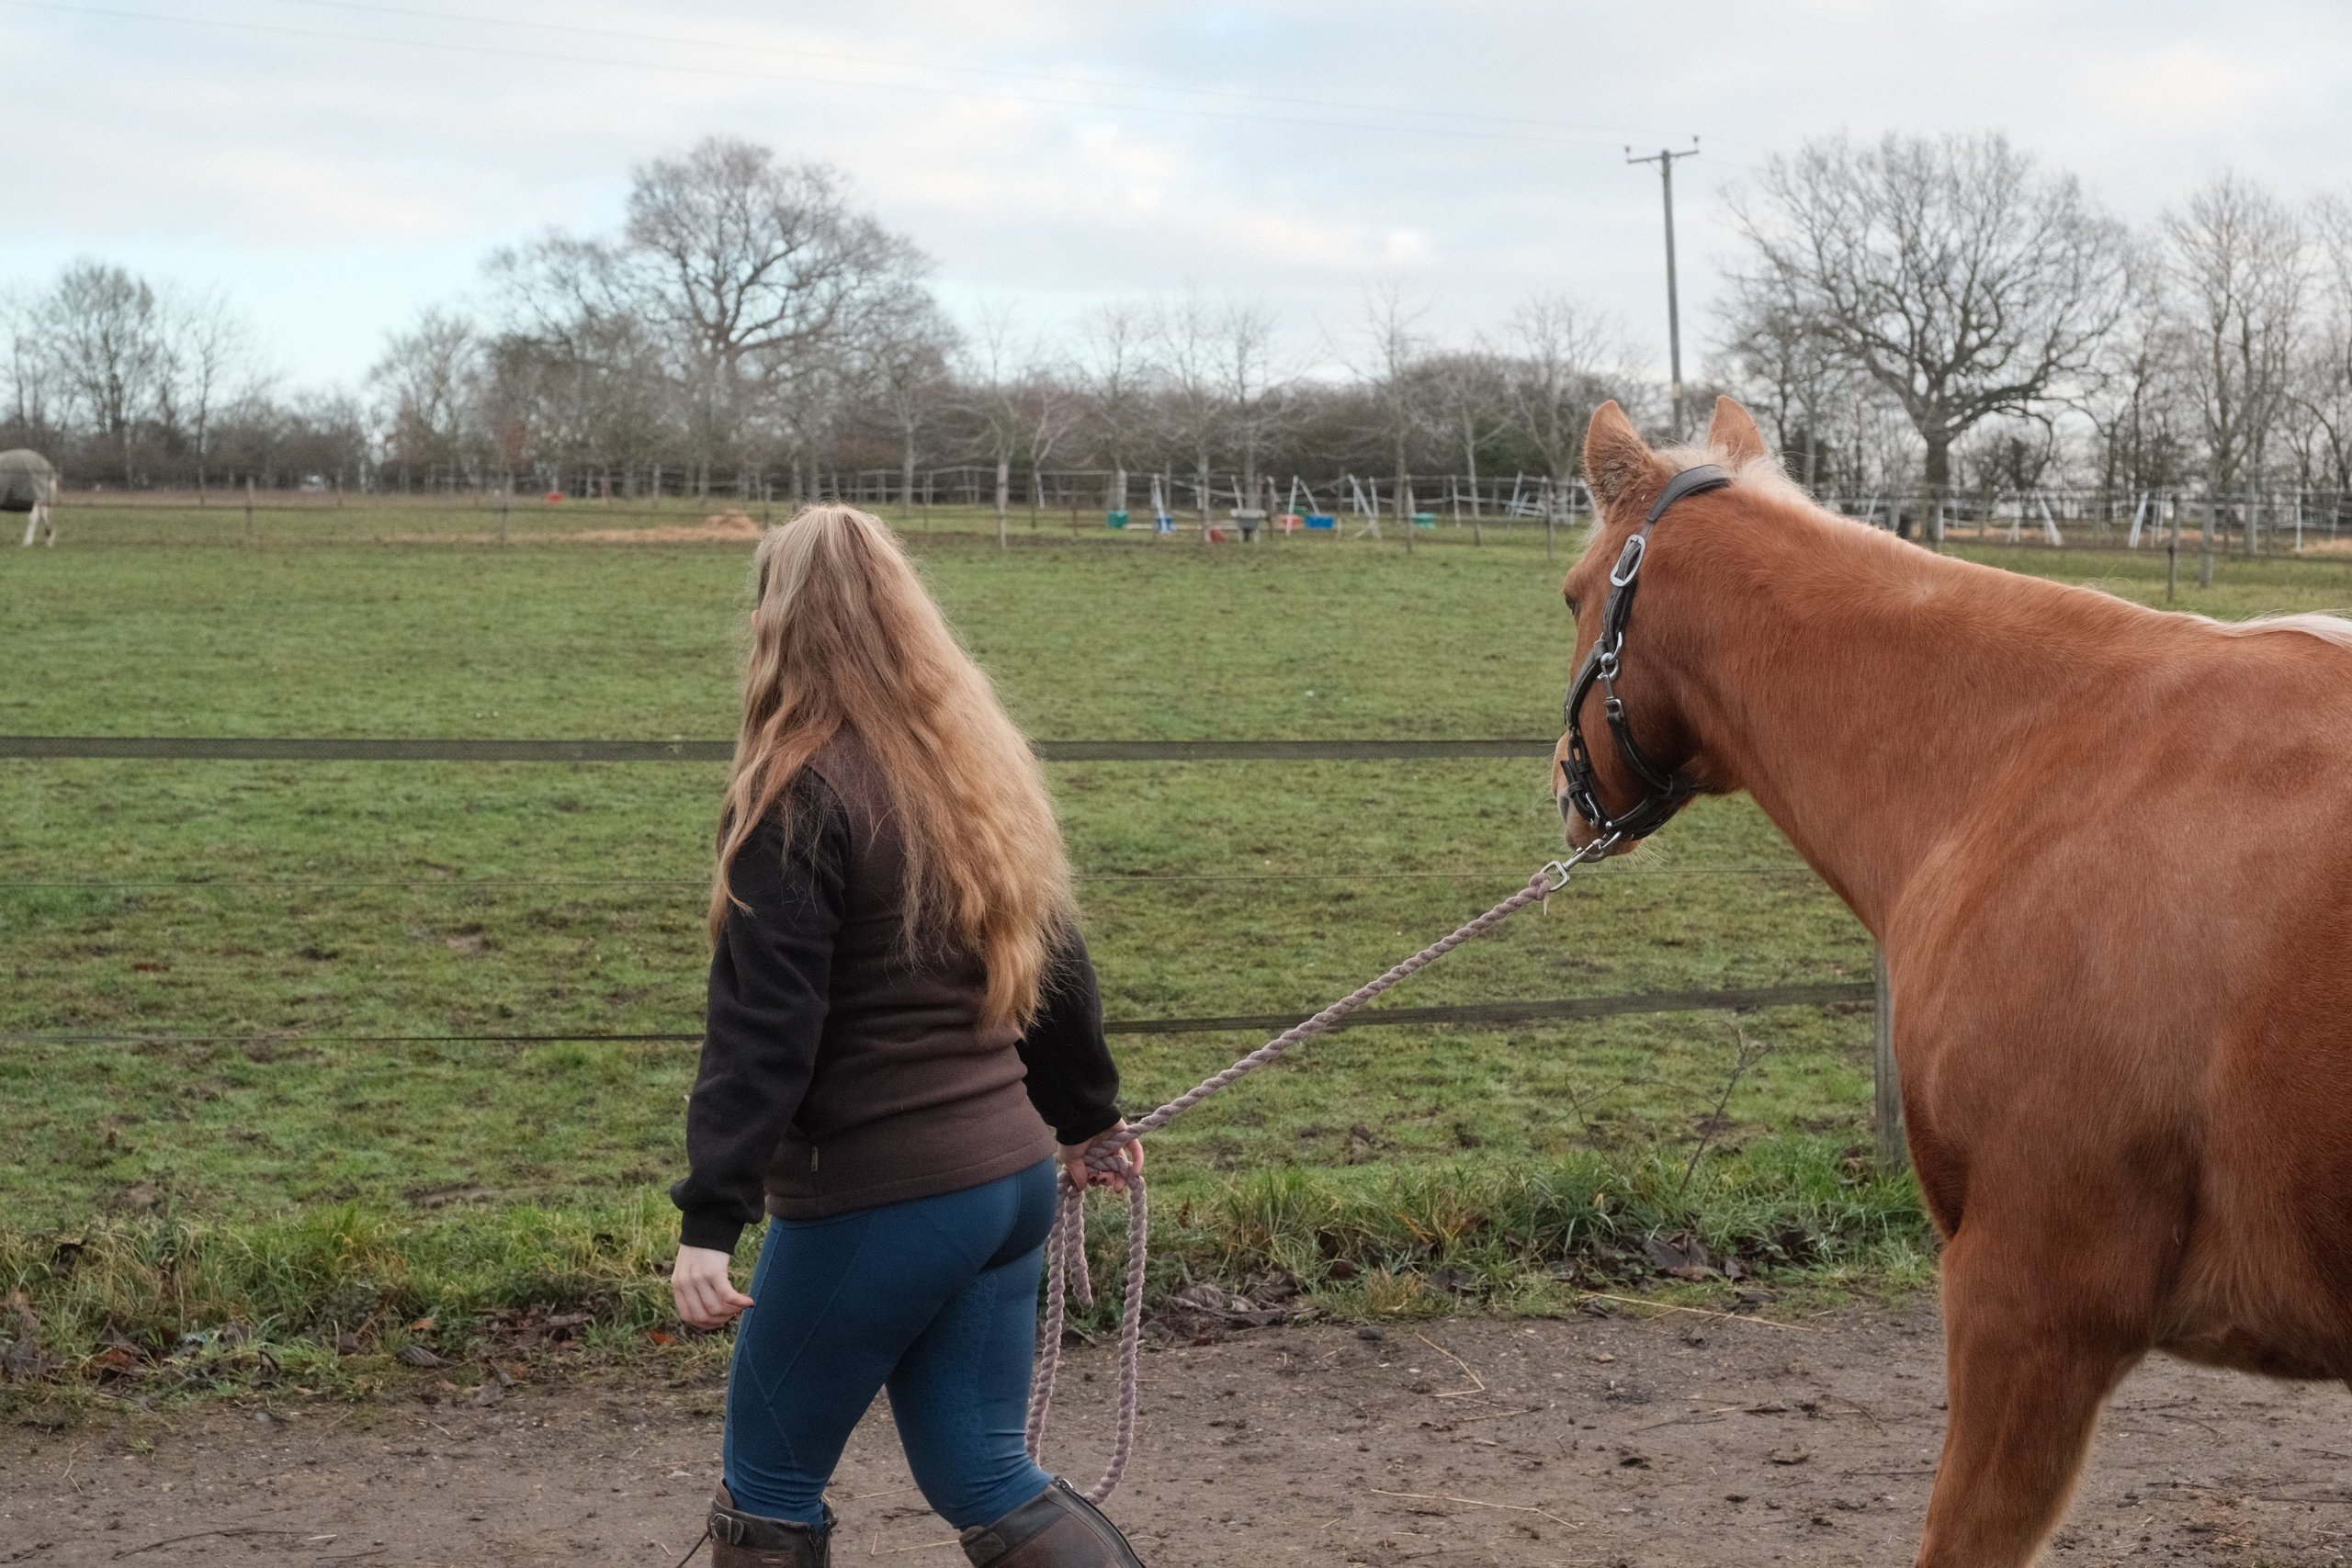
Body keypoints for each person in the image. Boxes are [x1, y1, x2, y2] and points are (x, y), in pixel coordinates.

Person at [669, 504, 1149, 1568]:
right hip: (1009, 1183)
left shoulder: (792, 791)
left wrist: (710, 1220)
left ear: (776, 623)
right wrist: (1088, 1122)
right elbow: (1058, 966)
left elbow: (765, 1029)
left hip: (878, 1198)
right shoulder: (975, 771)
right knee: (983, 1474)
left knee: (767, 1487)